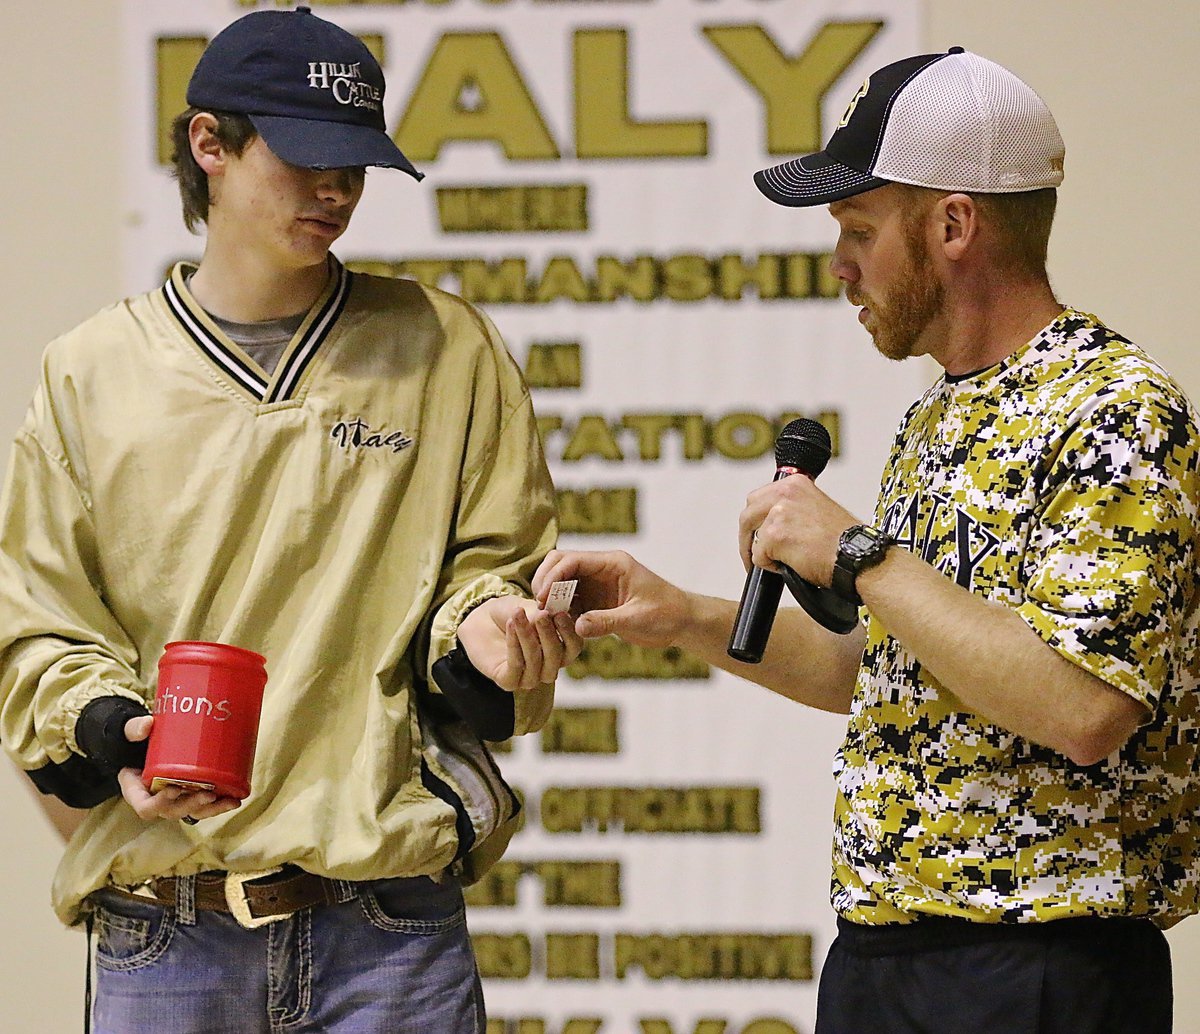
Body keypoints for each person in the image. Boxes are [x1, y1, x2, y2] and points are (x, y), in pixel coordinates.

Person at [534, 46, 1200, 1034]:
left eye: (858, 230)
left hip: (1038, 964)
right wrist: (684, 615)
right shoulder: (938, 417)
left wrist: (860, 551)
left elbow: (1083, 704)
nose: (839, 262)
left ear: (955, 225)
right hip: (887, 955)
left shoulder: (1113, 413)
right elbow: (898, 673)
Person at [0, 7, 581, 1033]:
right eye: (309, 157)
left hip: (390, 931)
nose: (338, 191)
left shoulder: (447, 349)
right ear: (208, 144)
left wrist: (490, 632)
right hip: (164, 929)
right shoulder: (89, 373)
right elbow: (40, 620)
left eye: (356, 165)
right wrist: (109, 730)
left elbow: (489, 569)